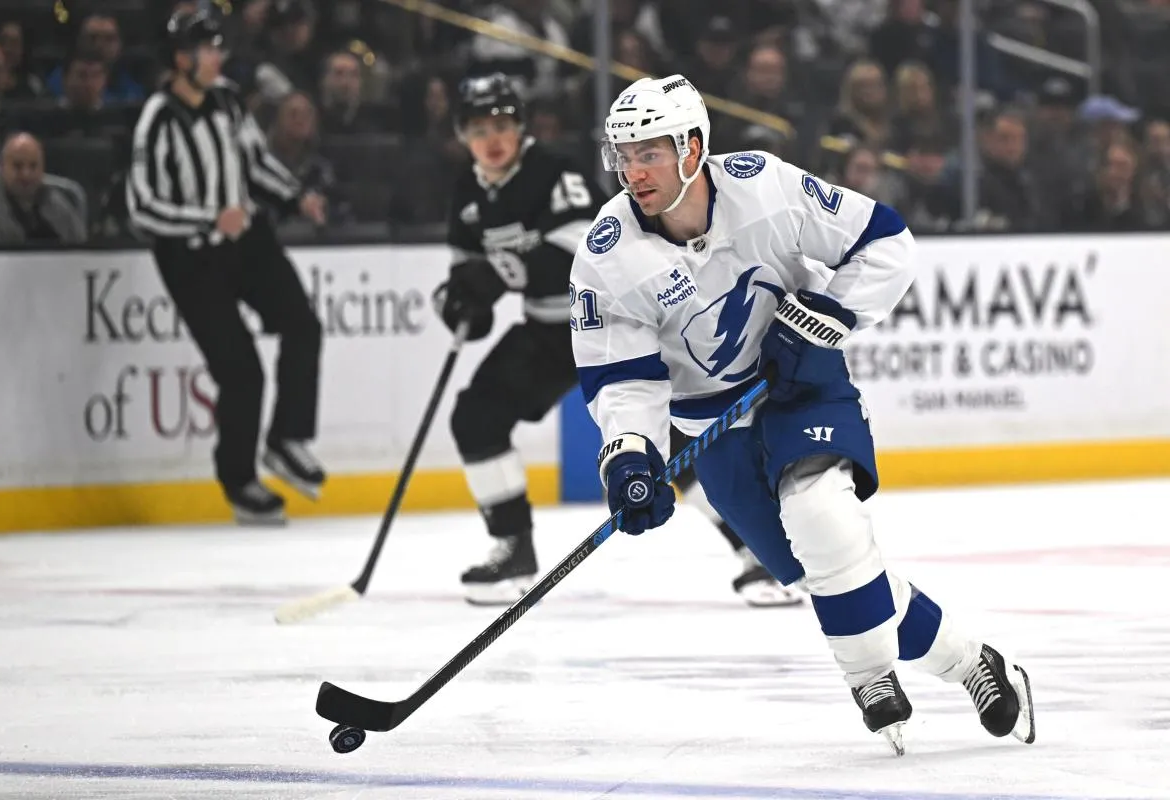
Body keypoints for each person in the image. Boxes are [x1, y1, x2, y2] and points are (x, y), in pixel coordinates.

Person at [570, 74, 1036, 755]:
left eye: (650, 152)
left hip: (800, 386)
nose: (633, 171)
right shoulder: (607, 258)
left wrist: (822, 316)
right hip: (712, 428)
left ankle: (867, 674)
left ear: (694, 148)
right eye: (624, 155)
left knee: (823, 517)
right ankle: (973, 663)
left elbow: (885, 241)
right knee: (821, 571)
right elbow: (621, 377)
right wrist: (632, 454)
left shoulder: (764, 188)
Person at [437, 73, 800, 608]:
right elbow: (469, 274)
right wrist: (461, 299)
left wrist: (501, 273)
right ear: (461, 136)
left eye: (502, 124)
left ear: (520, 127)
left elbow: (582, 253)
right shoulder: (468, 192)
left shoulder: (554, 171)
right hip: (546, 332)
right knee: (474, 418)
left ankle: (756, 550)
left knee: (674, 445)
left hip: (619, 326)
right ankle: (511, 547)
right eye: (477, 129)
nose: (492, 139)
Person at [126, 8, 327, 525]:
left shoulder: (229, 100)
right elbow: (142, 205)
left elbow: (256, 163)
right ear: (180, 58)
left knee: (302, 324)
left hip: (247, 238)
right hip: (191, 256)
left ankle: (286, 440)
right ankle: (239, 480)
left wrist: (297, 195)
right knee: (241, 370)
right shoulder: (158, 116)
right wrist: (209, 219)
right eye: (208, 49)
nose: (219, 58)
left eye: (219, 48)